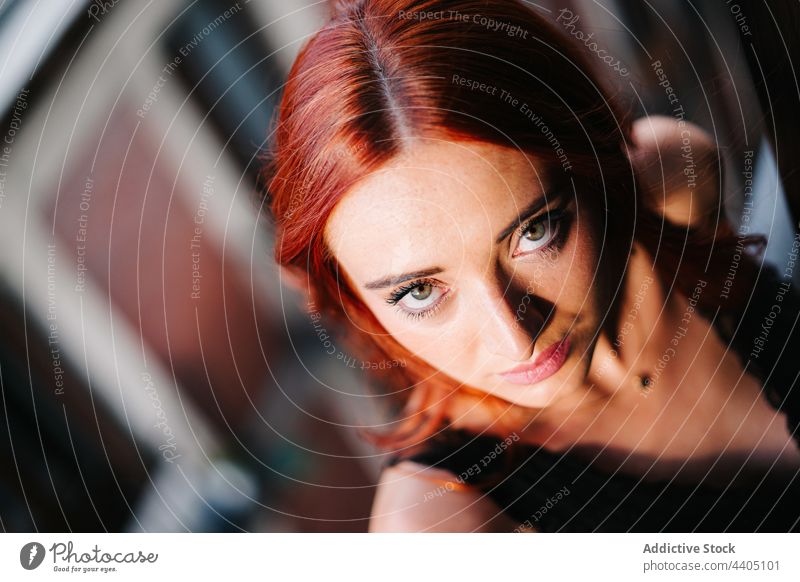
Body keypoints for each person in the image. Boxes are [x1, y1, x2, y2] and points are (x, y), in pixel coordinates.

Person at [262, 0, 800, 531]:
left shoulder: (675, 185)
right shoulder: (440, 525)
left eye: (535, 232)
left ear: (595, 173)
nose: (517, 338)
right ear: (355, 299)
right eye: (419, 292)